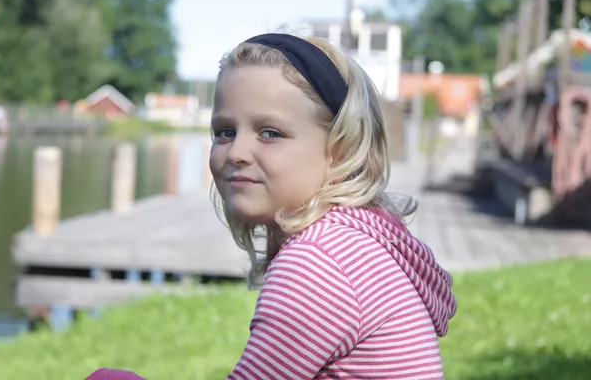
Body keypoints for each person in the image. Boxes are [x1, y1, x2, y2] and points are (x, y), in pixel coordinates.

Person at [86, 31, 457, 379]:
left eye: (270, 133)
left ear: (339, 150)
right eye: (225, 131)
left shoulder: (319, 263)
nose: (236, 153)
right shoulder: (358, 239)